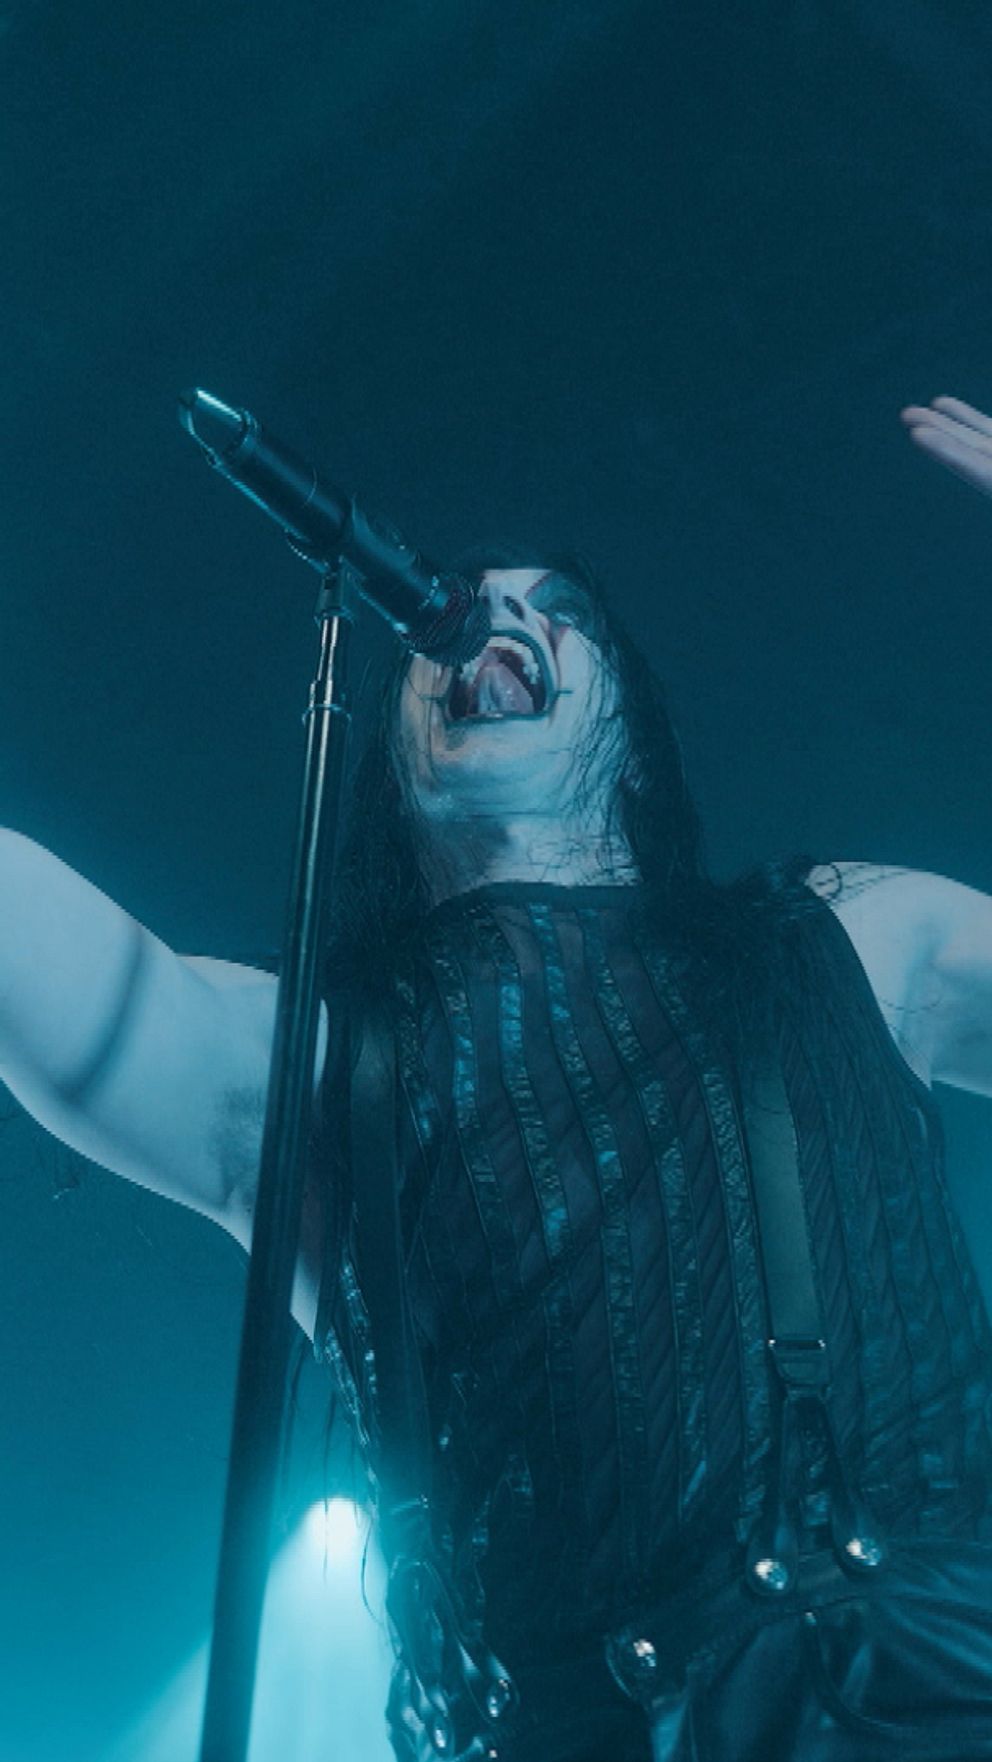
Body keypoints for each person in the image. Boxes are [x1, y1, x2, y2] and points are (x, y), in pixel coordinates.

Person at [2, 394, 992, 1761]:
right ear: (394, 758)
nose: (495, 618)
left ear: (631, 731)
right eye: (464, 607)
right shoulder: (313, 1058)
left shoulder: (850, 936)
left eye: (559, 610)